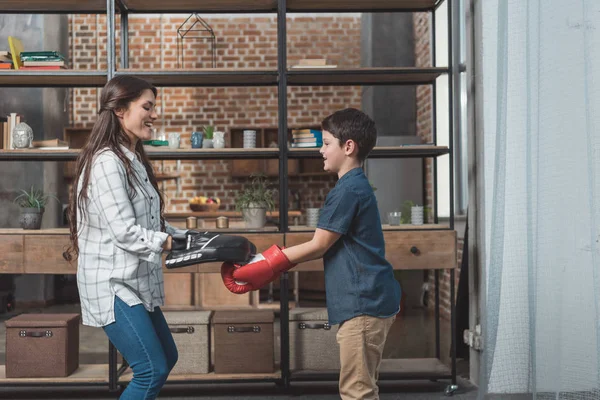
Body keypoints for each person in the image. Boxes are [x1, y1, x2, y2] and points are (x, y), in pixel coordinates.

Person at [221, 108, 402, 400]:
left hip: (364, 303)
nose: (321, 149)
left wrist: (266, 264)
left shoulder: (348, 190)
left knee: (357, 392)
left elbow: (319, 244)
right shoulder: (355, 186)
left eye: (327, 142)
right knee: (364, 387)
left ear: (348, 147)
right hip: (369, 300)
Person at [64, 75, 186, 399]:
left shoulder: (133, 161)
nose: (155, 115)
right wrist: (172, 243)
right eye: (147, 107)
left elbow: (151, 221)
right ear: (120, 109)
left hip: (133, 280)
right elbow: (125, 231)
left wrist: (191, 237)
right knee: (151, 369)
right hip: (112, 282)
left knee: (166, 358)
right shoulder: (106, 162)